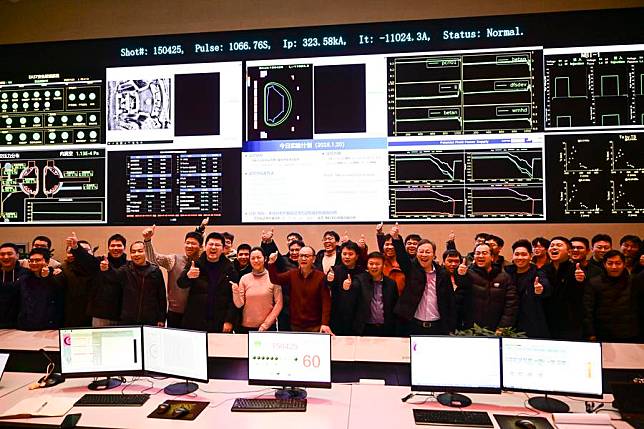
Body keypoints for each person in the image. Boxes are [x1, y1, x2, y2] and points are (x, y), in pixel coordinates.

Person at [391, 224, 456, 336]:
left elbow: (450, 301)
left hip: (437, 327)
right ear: (416, 254)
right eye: (421, 251)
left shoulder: (443, 274)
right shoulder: (411, 269)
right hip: (413, 325)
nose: (424, 255)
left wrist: (451, 327)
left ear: (434, 255)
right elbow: (402, 257)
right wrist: (396, 239)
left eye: (427, 252)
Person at [177, 232, 239, 333]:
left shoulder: (230, 268)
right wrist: (188, 276)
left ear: (223, 249)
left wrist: (229, 320)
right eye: (210, 244)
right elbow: (180, 283)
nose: (213, 247)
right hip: (195, 320)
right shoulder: (195, 264)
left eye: (217, 245)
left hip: (219, 320)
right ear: (205, 247)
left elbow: (233, 298)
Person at [143, 226, 203, 328]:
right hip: (175, 313)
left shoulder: (204, 263)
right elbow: (153, 259)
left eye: (193, 243)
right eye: (187, 242)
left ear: (201, 247)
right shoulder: (173, 259)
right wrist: (147, 240)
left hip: (197, 313)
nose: (189, 245)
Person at [268, 246, 332, 333]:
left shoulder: (320, 277)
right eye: (301, 256)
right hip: (295, 325)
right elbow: (275, 279)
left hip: (315, 326)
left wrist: (325, 323)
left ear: (313, 259)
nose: (303, 258)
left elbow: (326, 302)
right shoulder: (292, 274)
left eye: (306, 256)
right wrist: (271, 263)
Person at [584, 250, 641, 343]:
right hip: (603, 333)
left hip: (630, 333)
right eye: (610, 263)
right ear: (604, 264)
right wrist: (590, 333)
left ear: (624, 264)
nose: (614, 267)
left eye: (618, 263)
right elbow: (588, 310)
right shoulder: (594, 282)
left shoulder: (634, 281)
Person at [73, 233, 128, 327]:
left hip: (122, 314)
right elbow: (86, 259)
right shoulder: (99, 262)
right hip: (100, 314)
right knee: (98, 341)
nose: (115, 248)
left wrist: (108, 270)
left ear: (124, 247)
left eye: (119, 245)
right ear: (108, 247)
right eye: (112, 245)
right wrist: (76, 247)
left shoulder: (129, 266)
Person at [106, 241, 166, 326]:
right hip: (127, 319)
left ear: (145, 252)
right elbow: (112, 277)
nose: (136, 254)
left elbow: (161, 296)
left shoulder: (155, 271)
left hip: (150, 319)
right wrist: (106, 269)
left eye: (140, 251)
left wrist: (161, 318)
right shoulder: (125, 269)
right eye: (133, 252)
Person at [461, 243, 518, 333]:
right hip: (471, 330)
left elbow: (511, 304)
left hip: (496, 330)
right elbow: (459, 285)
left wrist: (503, 326)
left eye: (484, 253)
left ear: (492, 257)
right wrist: (460, 274)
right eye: (477, 253)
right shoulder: (467, 274)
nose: (480, 256)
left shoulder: (504, 277)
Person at [542, 236, 586, 340]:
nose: (554, 247)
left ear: (569, 252)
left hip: (571, 324)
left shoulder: (577, 269)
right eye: (551, 245)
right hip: (547, 323)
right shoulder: (543, 270)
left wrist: (580, 281)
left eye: (559, 245)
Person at [505, 239, 550, 338]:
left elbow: (545, 286)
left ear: (530, 256)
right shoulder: (506, 272)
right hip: (510, 322)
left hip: (532, 322)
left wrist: (540, 289)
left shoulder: (538, 273)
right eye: (517, 254)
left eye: (524, 254)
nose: (520, 257)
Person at [232, 247, 282, 333]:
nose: (256, 261)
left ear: (265, 259)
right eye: (253, 258)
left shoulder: (273, 277)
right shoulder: (244, 278)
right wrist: (235, 291)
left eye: (258, 257)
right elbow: (239, 304)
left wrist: (266, 325)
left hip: (267, 328)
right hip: (245, 327)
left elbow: (279, 303)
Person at [16, 248, 64, 331]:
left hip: (51, 327)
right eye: (31, 260)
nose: (34, 263)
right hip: (27, 327)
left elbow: (55, 295)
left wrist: (46, 278)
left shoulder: (57, 276)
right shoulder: (24, 279)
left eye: (37, 260)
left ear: (47, 262)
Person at [352, 252, 399, 336]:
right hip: (364, 329)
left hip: (386, 329)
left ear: (383, 265)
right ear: (367, 265)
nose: (374, 266)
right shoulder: (359, 280)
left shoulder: (391, 284)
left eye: (377, 264)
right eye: (371, 264)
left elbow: (394, 306)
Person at [326, 241, 364, 335]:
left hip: (356, 317)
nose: (347, 257)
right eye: (344, 254)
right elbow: (327, 290)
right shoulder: (334, 270)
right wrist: (329, 281)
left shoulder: (362, 272)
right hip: (337, 316)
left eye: (350, 254)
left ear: (357, 256)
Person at [60, 235, 94, 327]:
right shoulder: (61, 269)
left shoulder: (98, 267)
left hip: (94, 315)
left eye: (86, 251)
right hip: (71, 316)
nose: (82, 254)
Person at [0, 243, 29, 328]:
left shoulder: (27, 273)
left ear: (17, 256)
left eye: (9, 254)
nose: (5, 257)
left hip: (20, 325)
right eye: (2, 254)